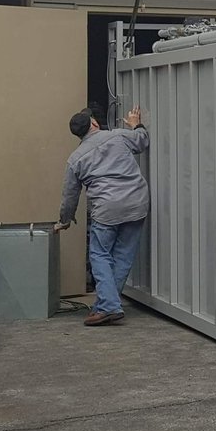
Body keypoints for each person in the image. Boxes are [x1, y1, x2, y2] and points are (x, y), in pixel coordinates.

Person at [60, 106, 151, 326]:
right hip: (136, 202)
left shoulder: (76, 159)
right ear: (93, 123)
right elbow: (142, 140)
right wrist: (135, 123)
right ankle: (106, 306)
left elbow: (70, 194)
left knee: (100, 255)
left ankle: (108, 306)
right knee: (123, 256)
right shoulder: (118, 136)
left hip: (107, 208)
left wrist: (65, 218)